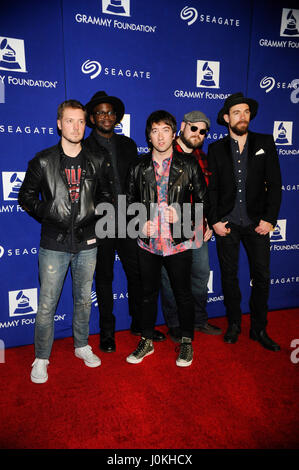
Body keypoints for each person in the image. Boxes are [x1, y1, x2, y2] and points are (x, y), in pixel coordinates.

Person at [18, 100, 111, 383]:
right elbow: (25, 197)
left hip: (87, 241)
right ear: (59, 123)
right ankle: (41, 357)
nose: (76, 127)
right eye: (70, 121)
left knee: (83, 300)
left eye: (81, 121)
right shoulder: (43, 160)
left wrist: (93, 212)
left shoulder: (96, 159)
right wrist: (50, 211)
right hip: (54, 243)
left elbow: (107, 196)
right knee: (47, 304)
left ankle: (81, 345)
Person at [126, 110, 209, 367]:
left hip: (179, 243)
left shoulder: (189, 165)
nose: (160, 136)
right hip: (148, 244)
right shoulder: (138, 167)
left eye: (165, 130)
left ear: (174, 134)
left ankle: (186, 343)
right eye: (154, 131)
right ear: (149, 136)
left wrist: (184, 216)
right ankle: (147, 340)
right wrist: (139, 224)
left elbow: (207, 202)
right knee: (148, 295)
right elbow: (127, 204)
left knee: (183, 294)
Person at [84, 91, 165, 353]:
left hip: (131, 219)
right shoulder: (85, 148)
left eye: (110, 112)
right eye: (100, 113)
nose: (106, 117)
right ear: (92, 118)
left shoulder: (129, 145)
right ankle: (107, 333)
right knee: (105, 277)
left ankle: (140, 324)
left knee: (138, 274)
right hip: (102, 220)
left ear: (116, 117)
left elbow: (140, 183)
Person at [207, 92, 282, 351]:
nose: (242, 117)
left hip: (256, 224)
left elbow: (275, 185)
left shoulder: (265, 142)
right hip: (227, 224)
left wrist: (269, 220)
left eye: (246, 112)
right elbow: (212, 189)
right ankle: (234, 324)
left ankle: (259, 329)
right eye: (237, 112)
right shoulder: (216, 148)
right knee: (229, 277)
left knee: (261, 276)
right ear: (227, 118)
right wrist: (214, 220)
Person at [160, 110, 222, 342]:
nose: (197, 133)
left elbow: (207, 196)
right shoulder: (163, 153)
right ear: (183, 127)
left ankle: (197, 320)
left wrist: (207, 221)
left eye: (203, 131)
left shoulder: (203, 158)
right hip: (169, 229)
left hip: (197, 228)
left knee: (199, 275)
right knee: (169, 279)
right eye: (193, 128)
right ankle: (175, 324)